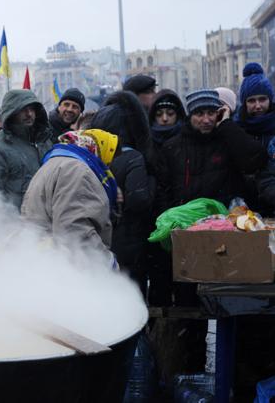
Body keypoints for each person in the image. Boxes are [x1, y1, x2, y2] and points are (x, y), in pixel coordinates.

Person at [157, 89, 267, 213]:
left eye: (211, 113)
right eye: (199, 114)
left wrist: (226, 123)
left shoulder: (228, 139)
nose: (206, 120)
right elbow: (164, 190)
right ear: (190, 116)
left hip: (225, 220)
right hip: (185, 221)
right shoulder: (173, 147)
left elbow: (256, 160)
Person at [90, 91, 156, 294]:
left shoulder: (89, 159)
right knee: (131, 298)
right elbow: (139, 200)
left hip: (98, 242)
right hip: (129, 243)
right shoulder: (133, 157)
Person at [21, 129, 117, 268]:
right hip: (66, 268)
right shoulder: (77, 171)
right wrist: (106, 263)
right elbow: (75, 232)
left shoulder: (54, 162)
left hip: (41, 260)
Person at [0, 89, 52, 210]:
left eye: (31, 109)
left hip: (47, 219)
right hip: (18, 223)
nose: (29, 114)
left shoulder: (44, 141)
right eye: (23, 109)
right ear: (11, 112)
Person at [235, 63, 275, 148]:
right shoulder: (235, 130)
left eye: (262, 99)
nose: (258, 106)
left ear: (270, 100)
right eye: (251, 101)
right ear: (245, 103)